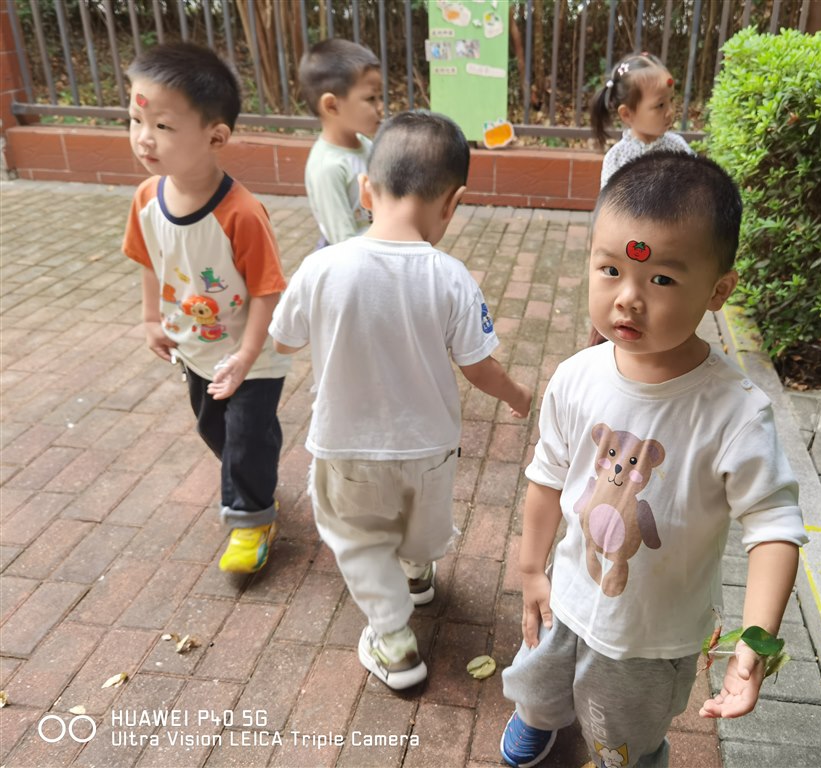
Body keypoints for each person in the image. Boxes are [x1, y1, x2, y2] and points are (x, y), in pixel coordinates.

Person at [498, 151, 808, 768]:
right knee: (538, 680)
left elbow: (774, 527)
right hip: (567, 595)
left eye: (661, 279)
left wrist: (756, 643)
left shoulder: (734, 413)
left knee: (623, 737)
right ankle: (538, 717)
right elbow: (547, 477)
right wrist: (532, 569)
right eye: (610, 270)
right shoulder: (576, 377)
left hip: (649, 639)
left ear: (718, 290)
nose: (628, 299)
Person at [269, 111, 533, 691]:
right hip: (430, 447)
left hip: (348, 448)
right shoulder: (452, 276)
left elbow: (284, 338)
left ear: (366, 190)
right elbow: (478, 366)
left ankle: (393, 640)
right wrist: (518, 395)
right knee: (421, 520)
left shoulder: (322, 267)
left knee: (360, 538)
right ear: (453, 203)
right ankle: (415, 571)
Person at [122, 42, 290, 574]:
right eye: (135, 121)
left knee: (243, 436)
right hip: (196, 349)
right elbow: (148, 259)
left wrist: (247, 354)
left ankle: (252, 520)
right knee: (214, 431)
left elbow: (266, 290)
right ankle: (255, 468)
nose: (144, 138)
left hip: (252, 356)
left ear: (216, 137)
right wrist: (151, 318)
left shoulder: (241, 213)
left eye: (163, 126)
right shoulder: (147, 199)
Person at [298, 38, 383, 247]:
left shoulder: (365, 144)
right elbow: (342, 242)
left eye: (380, 97)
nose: (381, 107)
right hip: (350, 258)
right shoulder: (328, 167)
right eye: (371, 99)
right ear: (332, 106)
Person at [590, 52, 693, 189]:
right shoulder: (617, 158)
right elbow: (610, 201)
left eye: (672, 100)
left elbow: (695, 186)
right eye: (660, 105)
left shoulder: (678, 148)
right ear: (627, 114)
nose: (670, 111)